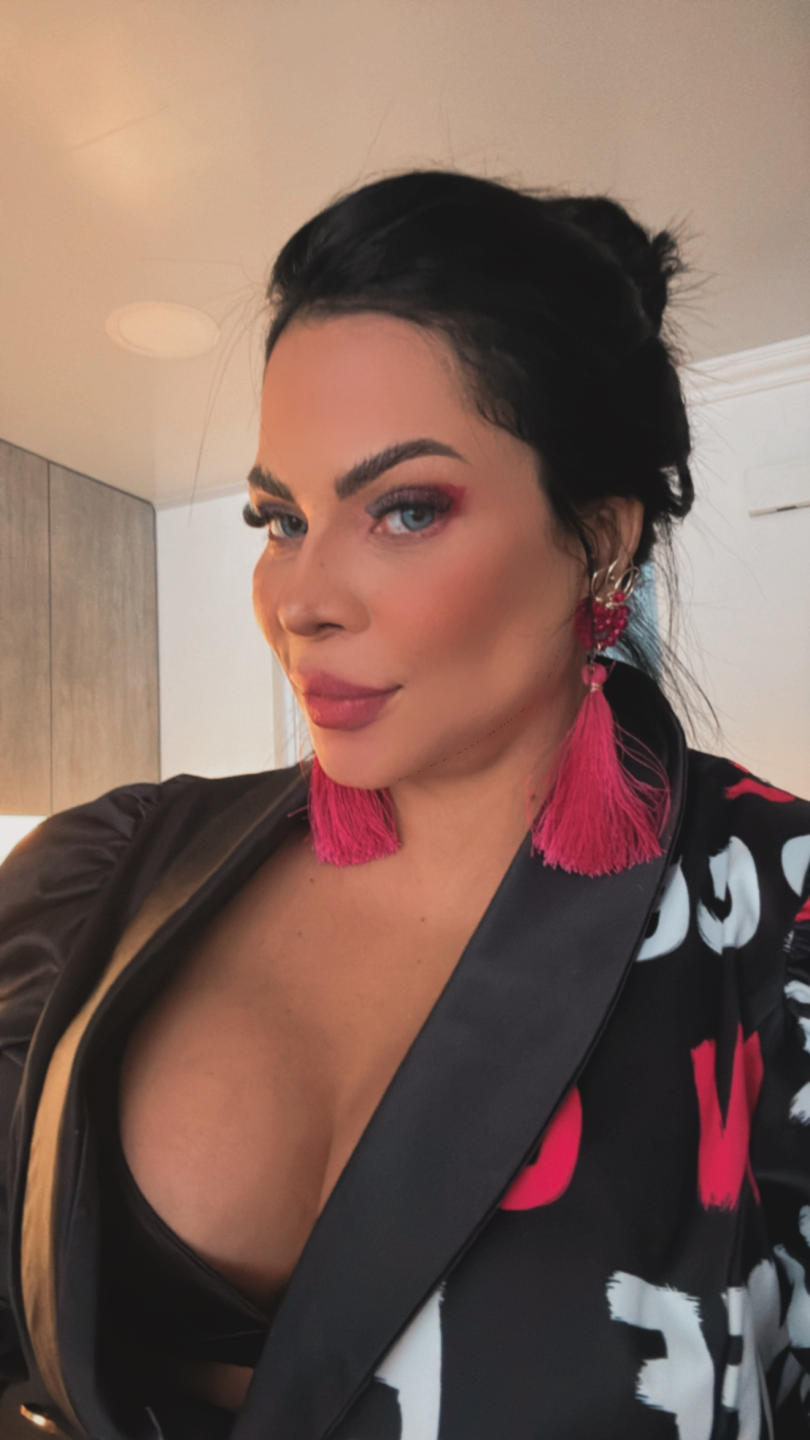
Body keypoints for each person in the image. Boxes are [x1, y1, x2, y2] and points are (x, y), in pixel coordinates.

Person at [0, 167, 809, 1440]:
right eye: (280, 517)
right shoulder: (109, 870)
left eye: (405, 510)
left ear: (600, 539)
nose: (298, 601)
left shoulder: (777, 916)